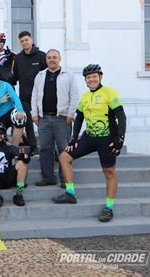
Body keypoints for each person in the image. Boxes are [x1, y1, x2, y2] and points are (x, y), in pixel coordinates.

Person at [53, 64, 127, 223]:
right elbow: (78, 118)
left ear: (100, 77)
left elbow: (121, 117)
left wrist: (119, 140)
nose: (91, 79)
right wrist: (74, 138)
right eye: (88, 77)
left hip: (107, 139)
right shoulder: (86, 96)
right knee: (64, 157)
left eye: (94, 76)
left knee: (109, 172)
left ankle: (109, 208)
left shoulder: (109, 93)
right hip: (89, 137)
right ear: (85, 80)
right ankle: (70, 193)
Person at [31, 49, 79, 187]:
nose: (52, 60)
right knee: (45, 149)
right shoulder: (40, 75)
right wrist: (34, 114)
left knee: (64, 149)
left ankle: (65, 179)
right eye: (49, 57)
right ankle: (48, 178)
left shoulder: (68, 75)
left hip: (62, 119)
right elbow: (34, 95)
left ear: (60, 59)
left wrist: (71, 114)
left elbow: (74, 95)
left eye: (54, 57)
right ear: (46, 60)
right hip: (43, 118)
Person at [12, 31, 47, 155]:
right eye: (22, 41)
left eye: (26, 40)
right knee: (28, 123)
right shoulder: (18, 58)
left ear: (31, 40)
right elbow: (14, 76)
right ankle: (33, 147)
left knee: (44, 122)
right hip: (25, 96)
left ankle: (46, 148)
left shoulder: (42, 56)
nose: (24, 43)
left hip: (41, 96)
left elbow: (48, 75)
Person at [0, 121, 30, 208]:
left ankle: (18, 195)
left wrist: (25, 157)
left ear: (4, 134)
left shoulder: (9, 147)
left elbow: (26, 160)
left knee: (21, 163)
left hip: (8, 178)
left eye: (0, 133)